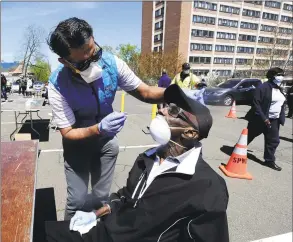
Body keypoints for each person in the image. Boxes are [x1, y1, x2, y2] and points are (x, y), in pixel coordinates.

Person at [45, 84, 229, 242]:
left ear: (190, 133)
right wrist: (94, 215)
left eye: (173, 111)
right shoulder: (146, 159)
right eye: (165, 105)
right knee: (40, 232)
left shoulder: (208, 187)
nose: (162, 110)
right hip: (105, 232)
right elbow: (125, 197)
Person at [47, 17, 166, 220]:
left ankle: (98, 231)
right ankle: (69, 235)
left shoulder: (112, 64)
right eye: (82, 61)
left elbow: (145, 92)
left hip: (106, 145)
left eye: (93, 51)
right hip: (77, 147)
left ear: (93, 39)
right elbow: (67, 132)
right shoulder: (57, 85)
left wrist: (176, 93)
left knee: (101, 197)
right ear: (64, 61)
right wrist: (98, 128)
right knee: (77, 199)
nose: (91, 60)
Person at [245, 67, 286, 171]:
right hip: (260, 119)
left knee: (273, 141)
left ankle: (269, 161)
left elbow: (282, 103)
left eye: (282, 75)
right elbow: (256, 104)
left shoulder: (279, 88)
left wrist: (281, 117)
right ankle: (238, 149)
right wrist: (264, 118)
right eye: (279, 75)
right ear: (272, 76)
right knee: (249, 135)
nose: (281, 77)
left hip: (274, 120)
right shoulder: (263, 87)